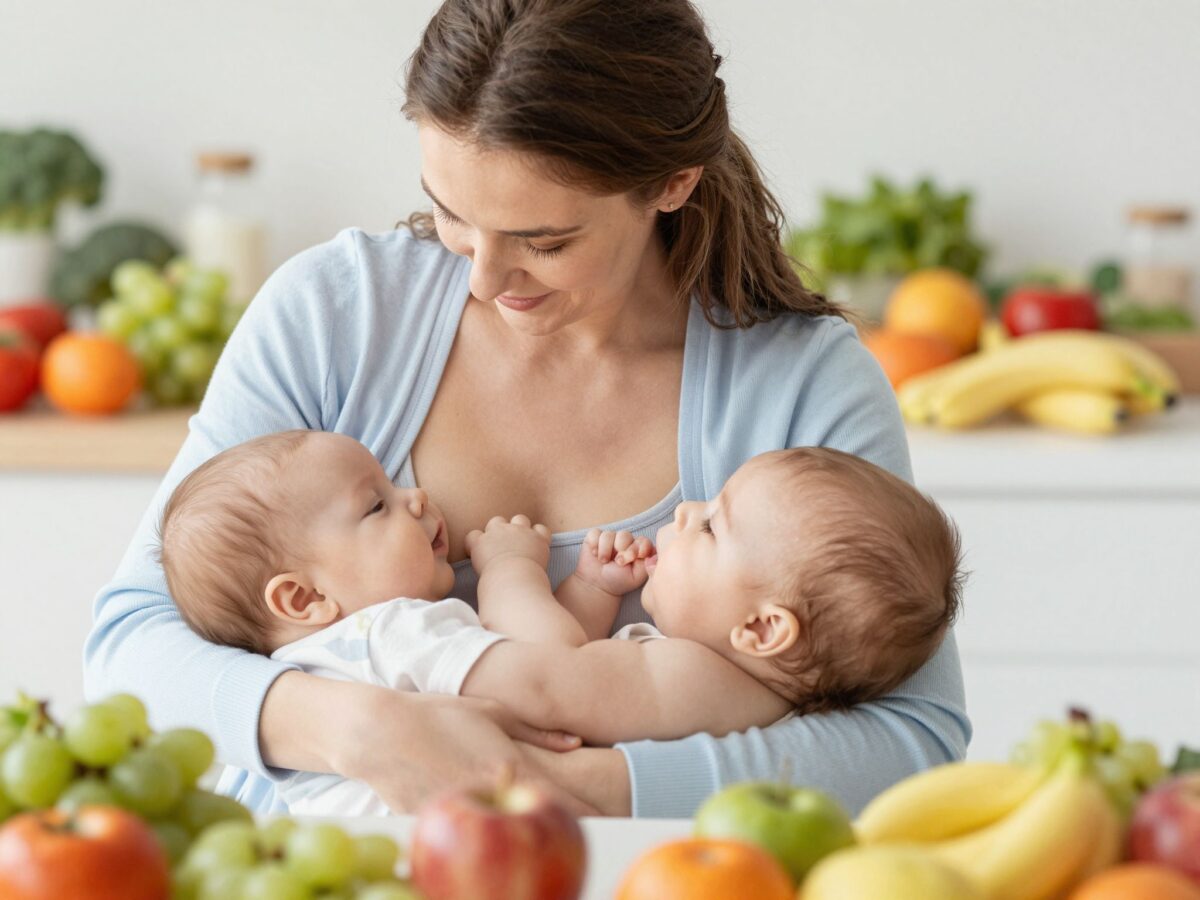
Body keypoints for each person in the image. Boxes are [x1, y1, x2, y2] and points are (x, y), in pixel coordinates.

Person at [85, 0, 969, 818]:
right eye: (451, 216)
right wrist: (360, 733)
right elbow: (132, 644)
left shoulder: (799, 384)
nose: (481, 277)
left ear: (670, 183)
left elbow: (911, 743)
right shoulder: (338, 313)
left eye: (543, 242)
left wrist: (577, 785)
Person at [157, 430, 963, 816]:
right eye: (377, 505)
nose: (686, 511)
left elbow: (554, 679)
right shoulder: (394, 631)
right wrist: (529, 578)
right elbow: (551, 678)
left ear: (764, 631)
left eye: (711, 526)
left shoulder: (692, 672)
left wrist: (547, 581)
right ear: (301, 600)